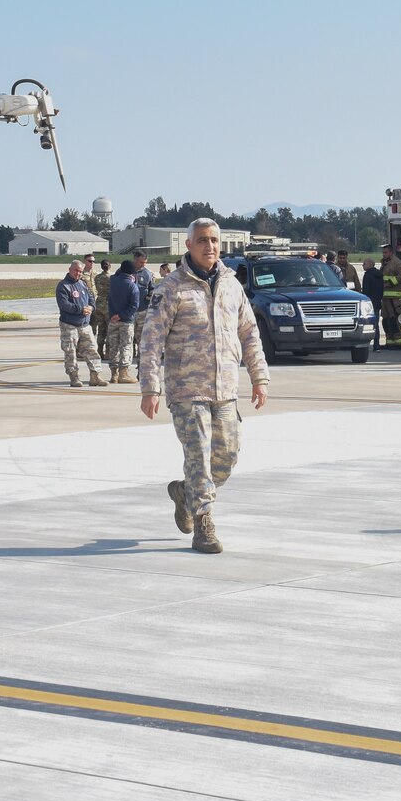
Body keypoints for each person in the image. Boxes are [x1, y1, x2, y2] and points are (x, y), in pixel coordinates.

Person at [138, 219, 269, 555]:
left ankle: (185, 492)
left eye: (214, 241)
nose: (209, 246)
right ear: (188, 245)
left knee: (225, 458)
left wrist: (259, 376)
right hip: (186, 388)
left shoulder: (231, 284)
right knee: (198, 455)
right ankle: (204, 525)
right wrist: (150, 387)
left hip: (225, 388)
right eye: (202, 241)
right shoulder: (171, 287)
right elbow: (151, 340)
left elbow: (249, 332)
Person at [54, 260, 107, 387]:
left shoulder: (83, 284)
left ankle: (95, 376)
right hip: (69, 326)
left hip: (85, 325)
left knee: (92, 351)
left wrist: (91, 308)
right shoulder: (63, 286)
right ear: (70, 269)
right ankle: (74, 377)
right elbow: (64, 304)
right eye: (76, 270)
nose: (78, 273)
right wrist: (80, 309)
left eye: (80, 271)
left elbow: (91, 299)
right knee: (70, 352)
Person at [107, 256, 142, 383]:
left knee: (113, 347)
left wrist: (115, 315)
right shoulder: (132, 286)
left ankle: (114, 374)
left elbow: (116, 274)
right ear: (132, 273)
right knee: (126, 346)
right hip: (126, 321)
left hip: (112, 320)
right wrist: (122, 315)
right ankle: (124, 373)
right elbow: (134, 306)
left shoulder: (113, 281)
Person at [378, 243, 401, 349]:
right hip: (386, 298)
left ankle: (400, 342)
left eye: (385, 252)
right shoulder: (385, 263)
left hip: (395, 298)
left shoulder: (396, 262)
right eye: (383, 253)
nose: (384, 254)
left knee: (395, 320)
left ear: (391, 252)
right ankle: (390, 342)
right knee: (386, 321)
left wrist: (392, 282)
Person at [131, 250, 153, 365]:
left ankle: (141, 364)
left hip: (142, 310)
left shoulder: (147, 274)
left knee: (142, 339)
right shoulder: (126, 271)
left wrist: (150, 295)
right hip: (129, 312)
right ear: (135, 259)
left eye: (144, 262)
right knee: (128, 340)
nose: (143, 265)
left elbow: (152, 288)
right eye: (140, 262)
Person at [92, 259, 113, 361]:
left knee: (101, 330)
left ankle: (99, 351)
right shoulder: (112, 278)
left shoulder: (97, 277)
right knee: (109, 330)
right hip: (108, 304)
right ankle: (108, 352)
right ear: (109, 266)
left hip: (99, 303)